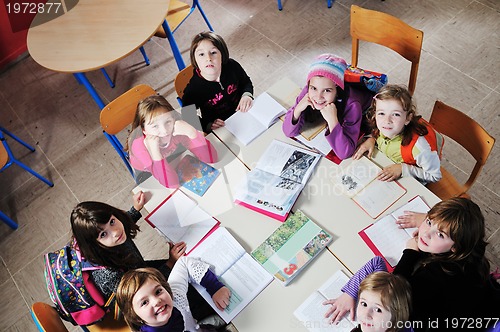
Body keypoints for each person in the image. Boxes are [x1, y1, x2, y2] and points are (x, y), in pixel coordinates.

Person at [324, 197, 499, 331]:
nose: (426, 233)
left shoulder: (426, 281)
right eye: (429, 221)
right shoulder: (471, 251)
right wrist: (434, 226)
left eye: (440, 235)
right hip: (486, 308)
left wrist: (410, 252)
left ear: (456, 247)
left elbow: (391, 281)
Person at [69, 192, 216, 323]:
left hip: (139, 270)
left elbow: (124, 222)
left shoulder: (115, 233)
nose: (115, 232)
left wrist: (135, 209)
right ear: (95, 244)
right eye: (103, 234)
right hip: (137, 295)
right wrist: (170, 264)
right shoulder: (108, 275)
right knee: (193, 297)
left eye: (112, 221)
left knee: (190, 271)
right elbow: (143, 293)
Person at [282, 54, 374, 160]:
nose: (318, 96)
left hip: (366, 112)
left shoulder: (352, 105)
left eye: (327, 90)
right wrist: (298, 109)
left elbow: (344, 153)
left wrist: (332, 121)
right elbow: (288, 132)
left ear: (337, 90)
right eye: (314, 88)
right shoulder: (308, 91)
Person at [353, 85, 443, 184]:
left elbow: (435, 176)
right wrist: (372, 139)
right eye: (381, 113)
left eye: (396, 114)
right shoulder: (382, 126)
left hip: (411, 177)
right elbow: (377, 133)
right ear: (375, 114)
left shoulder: (420, 147)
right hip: (388, 167)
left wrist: (403, 169)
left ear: (408, 118)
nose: (387, 121)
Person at [128, 95, 218, 188]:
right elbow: (172, 184)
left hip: (171, 156)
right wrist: (155, 153)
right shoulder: (139, 147)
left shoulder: (177, 127)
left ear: (173, 118)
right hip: (146, 172)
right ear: (144, 129)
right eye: (155, 126)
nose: (165, 131)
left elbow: (211, 159)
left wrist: (192, 133)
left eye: (168, 122)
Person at [116, 259, 231, 332]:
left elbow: (184, 264)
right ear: (135, 316)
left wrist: (215, 287)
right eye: (145, 302)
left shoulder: (174, 297)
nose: (157, 301)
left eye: (158, 291)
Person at [181, 31, 254, 134]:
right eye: (201, 54)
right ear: (195, 59)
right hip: (221, 128)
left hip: (243, 113)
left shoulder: (232, 66)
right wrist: (208, 125)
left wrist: (247, 95)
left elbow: (245, 82)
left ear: (222, 54)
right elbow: (188, 115)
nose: (208, 59)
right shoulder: (194, 89)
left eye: (213, 52)